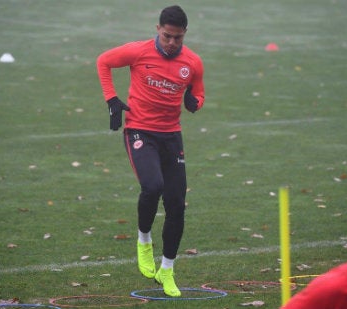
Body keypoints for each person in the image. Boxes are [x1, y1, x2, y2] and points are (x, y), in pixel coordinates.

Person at [96, 5, 204, 297]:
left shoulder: (192, 62)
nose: (171, 43)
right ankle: (144, 240)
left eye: (178, 38)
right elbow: (103, 61)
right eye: (167, 36)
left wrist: (196, 101)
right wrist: (112, 99)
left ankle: (167, 269)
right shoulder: (139, 52)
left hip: (171, 136)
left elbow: (199, 89)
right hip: (140, 130)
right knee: (152, 185)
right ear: (158, 29)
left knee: (176, 204)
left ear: (184, 35)